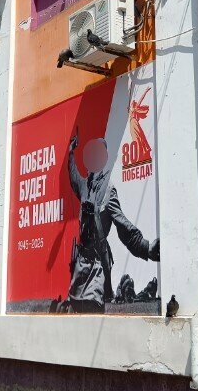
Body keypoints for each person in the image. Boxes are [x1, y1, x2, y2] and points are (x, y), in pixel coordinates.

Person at [64, 134, 160, 313]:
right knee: (75, 308)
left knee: (92, 306)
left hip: (97, 263)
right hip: (81, 264)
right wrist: (71, 152)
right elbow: (73, 176)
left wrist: (145, 247)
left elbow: (123, 225)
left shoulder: (108, 190)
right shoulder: (84, 186)